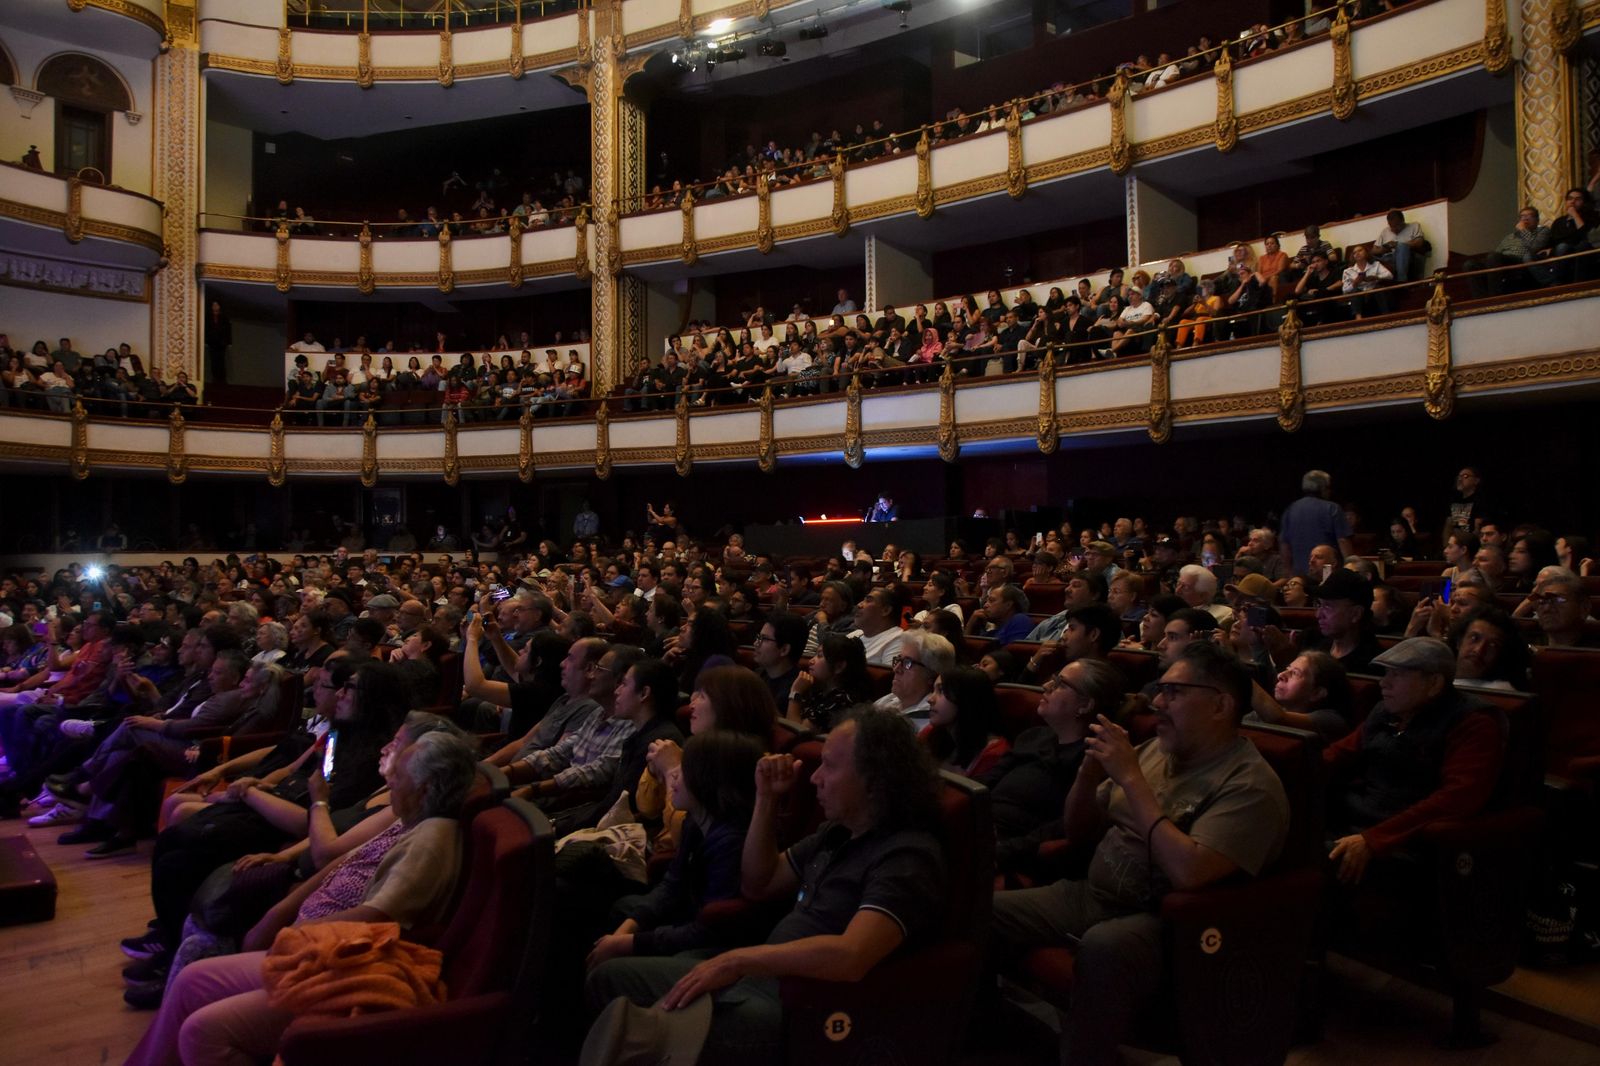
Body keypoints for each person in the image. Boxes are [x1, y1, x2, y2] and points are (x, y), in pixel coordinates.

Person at [584, 709, 946, 1066]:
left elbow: (851, 956)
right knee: (609, 979)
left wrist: (740, 959)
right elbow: (760, 883)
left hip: (796, 1003)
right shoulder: (836, 834)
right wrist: (766, 799)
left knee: (632, 1037)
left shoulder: (906, 856)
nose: (816, 778)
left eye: (830, 767)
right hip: (758, 975)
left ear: (875, 780)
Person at [989, 642, 1289, 1064]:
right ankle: (994, 1033)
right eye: (1159, 689)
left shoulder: (1249, 785)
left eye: (1174, 691)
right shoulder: (1154, 751)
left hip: (1163, 921)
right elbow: (1080, 830)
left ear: (1220, 704)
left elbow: (1191, 871)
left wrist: (1130, 779)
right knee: (979, 911)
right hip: (1092, 895)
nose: (1156, 702)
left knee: (1105, 945)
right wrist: (1088, 773)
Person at [123, 731, 479, 1066]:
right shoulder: (410, 818)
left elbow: (378, 918)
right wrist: (279, 913)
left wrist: (290, 937)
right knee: (193, 979)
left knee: (202, 1032)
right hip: (310, 943)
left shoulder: (430, 841)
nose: (390, 780)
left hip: (335, 965)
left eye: (398, 776)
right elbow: (345, 860)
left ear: (426, 787)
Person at [1323, 638, 1505, 887]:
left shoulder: (1473, 723)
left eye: (1396, 675)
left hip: (1406, 841)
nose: (1383, 682)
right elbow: (1337, 755)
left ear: (1434, 683)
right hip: (1354, 820)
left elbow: (1458, 798)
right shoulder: (1386, 711)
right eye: (1386, 673)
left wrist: (1375, 839)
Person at [981, 657, 1125, 879]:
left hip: (1009, 851)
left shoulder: (1093, 760)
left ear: (1085, 705)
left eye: (1060, 684)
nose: (1046, 686)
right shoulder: (1033, 736)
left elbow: (1058, 829)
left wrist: (997, 852)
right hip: (978, 826)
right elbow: (985, 783)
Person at [1245, 650, 1354, 743]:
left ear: (1316, 693)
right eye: (1287, 669)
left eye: (1295, 673)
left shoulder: (1331, 720)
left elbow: (1277, 718)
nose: (1280, 675)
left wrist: (1241, 675)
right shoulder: (1268, 711)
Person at [921, 666, 1008, 778]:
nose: (930, 699)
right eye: (933, 690)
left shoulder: (994, 754)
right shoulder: (932, 732)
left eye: (941, 691)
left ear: (965, 698)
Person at [786, 632, 874, 732]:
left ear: (839, 667)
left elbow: (794, 733)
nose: (811, 661)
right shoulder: (820, 689)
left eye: (819, 656)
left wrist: (795, 693)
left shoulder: (841, 701)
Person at [1280, 469, 1354, 575]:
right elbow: (1343, 540)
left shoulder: (1290, 509)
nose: (1330, 491)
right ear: (1322, 488)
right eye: (1328, 487)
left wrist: (1288, 571)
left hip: (1299, 574)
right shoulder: (1332, 508)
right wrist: (1350, 568)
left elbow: (1284, 545)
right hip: (1327, 574)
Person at [873, 628, 955, 723]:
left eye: (907, 663)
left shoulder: (931, 716)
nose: (896, 669)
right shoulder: (888, 700)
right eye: (898, 660)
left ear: (931, 673)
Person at [751, 612, 806, 709]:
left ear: (784, 650)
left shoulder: (796, 688)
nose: (756, 643)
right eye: (758, 637)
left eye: (764, 639)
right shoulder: (759, 675)